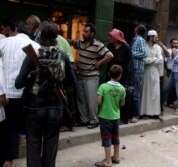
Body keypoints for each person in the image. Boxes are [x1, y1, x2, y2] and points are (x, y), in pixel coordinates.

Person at [15, 21, 77, 167]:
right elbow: (73, 84)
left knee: (33, 146)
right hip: (55, 108)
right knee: (51, 146)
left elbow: (18, 83)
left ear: (40, 36)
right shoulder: (63, 57)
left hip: (33, 108)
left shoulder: (32, 55)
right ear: (56, 36)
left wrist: (32, 77)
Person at [0, 21, 40, 167]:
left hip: (6, 94)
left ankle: (9, 161)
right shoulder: (35, 46)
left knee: (9, 127)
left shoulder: (4, 43)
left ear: (16, 31)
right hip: (25, 95)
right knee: (26, 128)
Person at [70, 23, 113, 129]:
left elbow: (110, 55)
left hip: (92, 76)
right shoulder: (79, 43)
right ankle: (84, 120)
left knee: (91, 100)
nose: (84, 33)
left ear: (92, 33)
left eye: (86, 32)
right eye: (83, 31)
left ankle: (94, 120)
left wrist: (99, 63)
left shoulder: (98, 45)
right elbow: (70, 42)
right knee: (82, 100)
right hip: (81, 75)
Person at [95, 64, 126, 167]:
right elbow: (122, 104)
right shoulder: (122, 89)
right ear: (120, 76)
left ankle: (108, 161)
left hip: (105, 117)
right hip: (116, 117)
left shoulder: (103, 87)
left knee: (106, 138)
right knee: (115, 137)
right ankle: (116, 157)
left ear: (108, 74)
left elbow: (98, 102)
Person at [107, 28, 133, 124]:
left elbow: (129, 65)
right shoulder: (110, 46)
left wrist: (128, 80)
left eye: (111, 36)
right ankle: (112, 116)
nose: (109, 38)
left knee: (123, 97)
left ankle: (124, 118)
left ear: (116, 38)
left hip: (123, 76)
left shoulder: (126, 48)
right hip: (111, 76)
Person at [140, 30, 163, 117]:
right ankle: (144, 112)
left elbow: (160, 60)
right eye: (156, 37)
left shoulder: (157, 47)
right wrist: (154, 59)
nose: (157, 39)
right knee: (145, 92)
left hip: (155, 72)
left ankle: (154, 113)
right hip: (146, 71)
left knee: (155, 93)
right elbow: (144, 60)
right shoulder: (144, 47)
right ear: (151, 37)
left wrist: (151, 60)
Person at [130, 24, 147, 123]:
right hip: (134, 69)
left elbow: (144, 54)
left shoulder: (140, 40)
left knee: (136, 92)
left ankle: (136, 115)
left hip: (138, 70)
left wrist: (131, 53)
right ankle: (132, 113)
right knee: (133, 92)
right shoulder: (135, 39)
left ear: (136, 30)